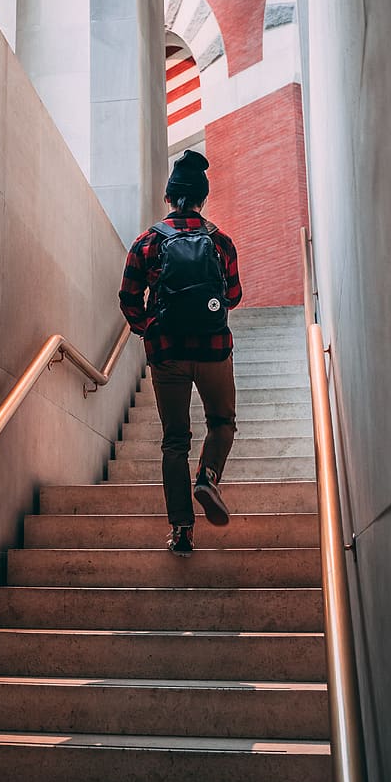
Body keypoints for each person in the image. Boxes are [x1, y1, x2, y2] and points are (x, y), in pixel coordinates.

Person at [119, 150, 242, 555]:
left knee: (175, 441)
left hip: (167, 353)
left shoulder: (147, 241)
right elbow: (235, 297)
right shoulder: (220, 241)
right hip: (213, 352)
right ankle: (208, 477)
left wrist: (149, 331)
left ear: (169, 197)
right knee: (221, 421)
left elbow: (129, 297)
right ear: (203, 198)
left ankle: (182, 531)